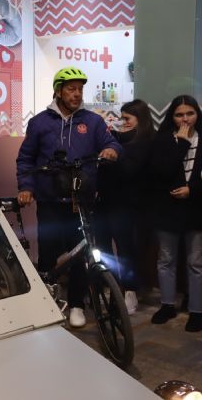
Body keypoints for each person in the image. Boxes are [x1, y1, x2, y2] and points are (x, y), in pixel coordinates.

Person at [15, 67, 121, 328]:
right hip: (50, 199)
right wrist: (26, 186)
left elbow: (113, 143)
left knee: (81, 254)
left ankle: (76, 304)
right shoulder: (40, 122)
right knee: (49, 252)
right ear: (59, 90)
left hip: (81, 201)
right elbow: (26, 158)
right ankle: (48, 300)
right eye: (71, 88)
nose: (77, 94)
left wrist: (110, 150)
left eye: (80, 89)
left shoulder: (92, 121)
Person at [148, 94, 202, 332]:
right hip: (167, 208)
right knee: (166, 259)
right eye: (179, 114)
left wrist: (192, 190)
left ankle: (197, 310)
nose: (185, 119)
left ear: (197, 114)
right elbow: (161, 174)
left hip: (196, 207)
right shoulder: (162, 140)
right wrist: (181, 143)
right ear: (172, 117)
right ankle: (167, 304)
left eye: (189, 113)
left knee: (196, 262)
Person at [95, 99, 154, 315]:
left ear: (141, 119)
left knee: (126, 249)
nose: (123, 122)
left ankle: (130, 292)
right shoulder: (115, 140)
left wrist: (113, 155)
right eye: (121, 118)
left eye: (127, 118)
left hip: (127, 205)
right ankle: (111, 288)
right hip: (104, 202)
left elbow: (130, 171)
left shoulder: (146, 143)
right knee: (103, 248)